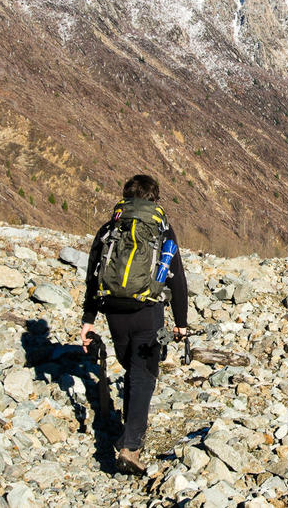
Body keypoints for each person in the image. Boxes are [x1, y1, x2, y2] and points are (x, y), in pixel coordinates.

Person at [80, 174, 188, 475]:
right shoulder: (162, 231)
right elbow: (175, 276)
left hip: (113, 309)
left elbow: (93, 274)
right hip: (147, 309)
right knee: (144, 374)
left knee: (131, 368)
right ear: (155, 199)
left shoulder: (110, 228)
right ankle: (131, 446)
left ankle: (128, 431)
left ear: (125, 197)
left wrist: (88, 320)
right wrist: (181, 323)